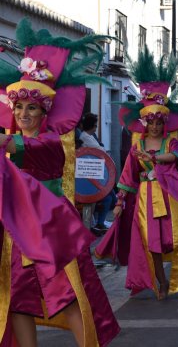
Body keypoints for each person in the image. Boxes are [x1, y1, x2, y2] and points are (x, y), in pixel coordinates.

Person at [0, 19, 119, 346]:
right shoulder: (12, 140)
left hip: (51, 233)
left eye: (32, 108)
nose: (24, 114)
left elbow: (26, 149)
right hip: (17, 236)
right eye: (19, 106)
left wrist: (7, 144)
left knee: (66, 296)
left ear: (44, 112)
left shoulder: (52, 143)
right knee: (18, 300)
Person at [98, 47, 178, 301]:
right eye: (150, 121)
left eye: (158, 122)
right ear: (145, 123)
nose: (154, 125)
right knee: (150, 244)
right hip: (145, 200)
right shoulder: (137, 146)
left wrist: (152, 158)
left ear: (164, 123)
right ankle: (161, 282)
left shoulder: (170, 143)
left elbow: (176, 158)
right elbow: (128, 176)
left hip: (172, 196)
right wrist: (119, 203)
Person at [79, 112, 117, 235]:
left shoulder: (90, 136)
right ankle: (100, 223)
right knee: (108, 197)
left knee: (110, 195)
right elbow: (101, 150)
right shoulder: (85, 137)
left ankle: (101, 222)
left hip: (95, 173)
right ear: (91, 126)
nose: (96, 127)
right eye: (95, 125)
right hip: (89, 175)